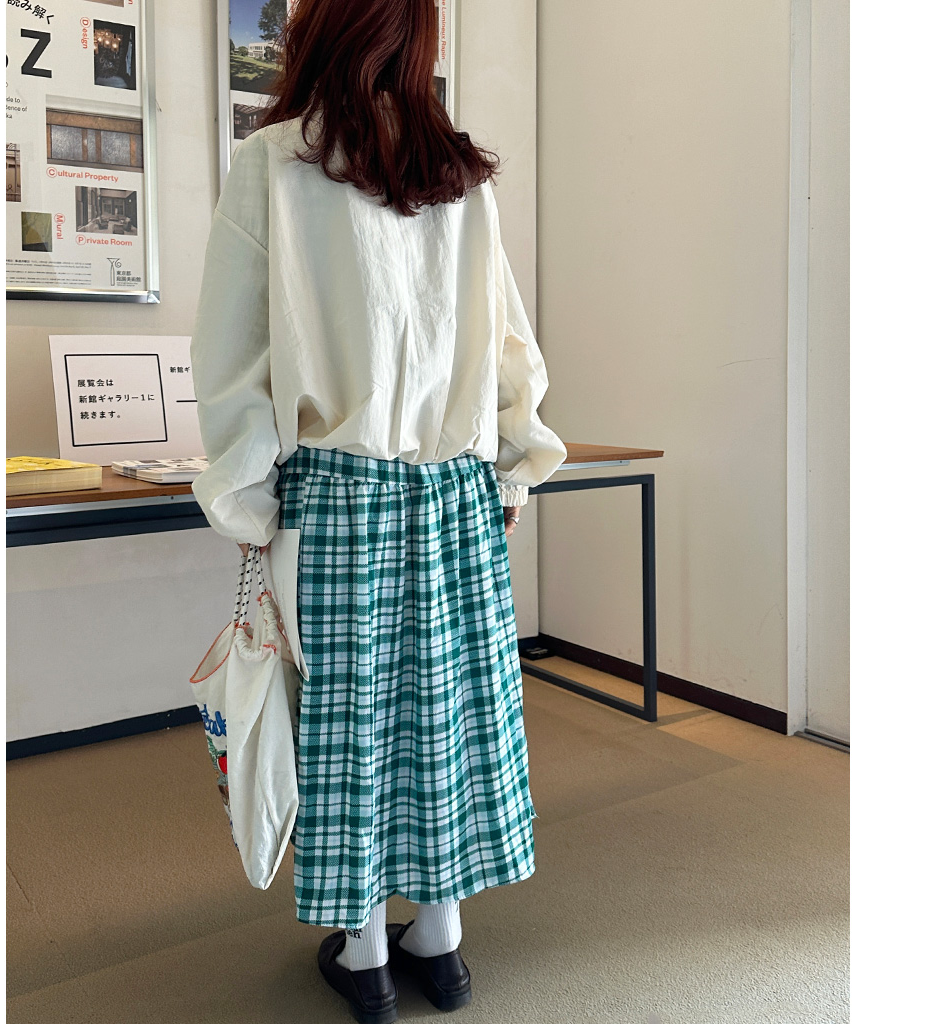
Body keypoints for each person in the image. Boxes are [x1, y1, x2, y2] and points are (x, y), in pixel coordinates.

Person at [189, 2, 566, 1021]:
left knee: (343, 726)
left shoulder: (275, 162)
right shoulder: (459, 176)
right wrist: (512, 469)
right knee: (444, 712)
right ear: (417, 37)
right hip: (455, 495)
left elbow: (232, 364)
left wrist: (248, 502)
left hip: (336, 497)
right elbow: (509, 346)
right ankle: (440, 943)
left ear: (321, 29)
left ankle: (363, 957)